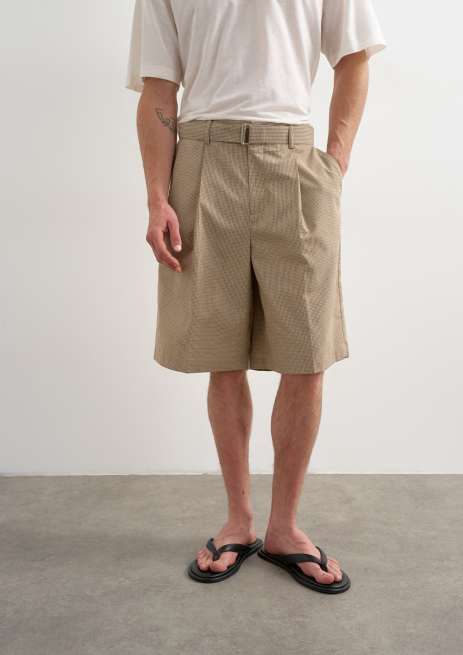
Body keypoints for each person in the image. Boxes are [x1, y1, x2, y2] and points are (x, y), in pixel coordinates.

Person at [127, 0, 385, 594]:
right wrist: (157, 197)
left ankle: (285, 527)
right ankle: (238, 521)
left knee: (307, 354)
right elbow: (159, 87)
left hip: (293, 159)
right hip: (201, 157)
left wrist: (334, 165)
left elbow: (354, 57)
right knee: (222, 354)